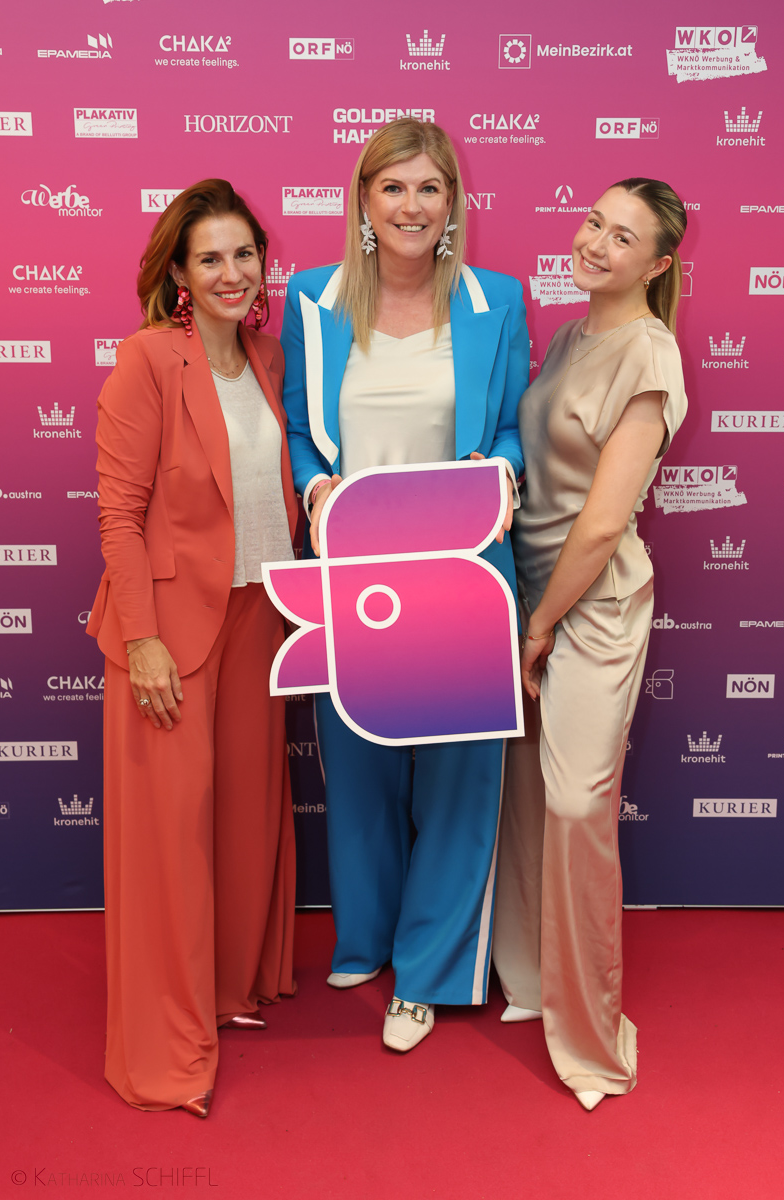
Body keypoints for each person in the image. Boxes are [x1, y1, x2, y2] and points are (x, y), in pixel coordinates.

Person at [281, 117, 528, 1052]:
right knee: (358, 766)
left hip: (462, 571)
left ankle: (426, 975)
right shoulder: (313, 299)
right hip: (353, 571)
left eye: (429, 188)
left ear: (452, 202)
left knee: (460, 778)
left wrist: (501, 473)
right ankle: (367, 937)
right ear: (364, 200)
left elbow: (509, 427)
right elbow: (301, 428)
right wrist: (315, 487)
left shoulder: (496, 300)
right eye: (393, 187)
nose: (411, 206)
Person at [87, 179, 299, 1116]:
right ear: (178, 271)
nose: (230, 272)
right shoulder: (146, 360)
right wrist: (141, 640)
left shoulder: (268, 357)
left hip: (259, 617)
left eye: (244, 254)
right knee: (169, 844)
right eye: (209, 257)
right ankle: (166, 1054)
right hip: (169, 631)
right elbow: (118, 516)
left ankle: (222, 991)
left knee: (244, 822)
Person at [492, 178, 688, 1109]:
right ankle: (534, 980)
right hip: (525, 591)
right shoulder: (573, 333)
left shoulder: (649, 353)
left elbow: (604, 522)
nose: (595, 244)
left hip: (592, 609)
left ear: (657, 265)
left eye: (622, 238)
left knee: (575, 804)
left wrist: (540, 628)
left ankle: (592, 1034)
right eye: (593, 223)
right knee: (527, 797)